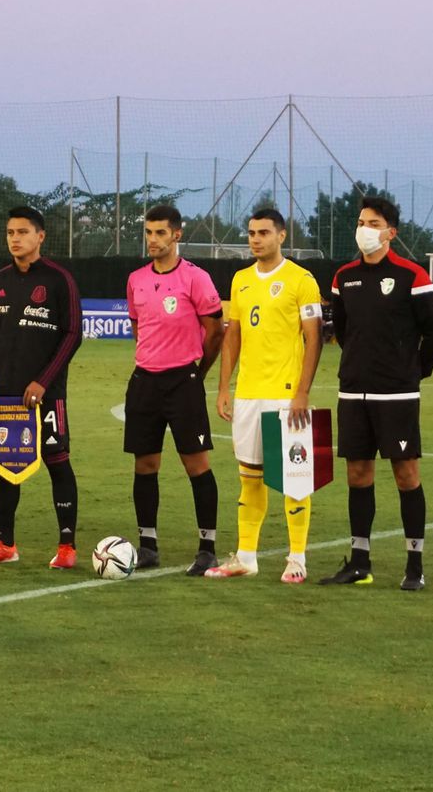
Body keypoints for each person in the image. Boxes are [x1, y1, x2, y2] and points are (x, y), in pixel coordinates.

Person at [320, 196, 433, 591]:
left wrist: (413, 372)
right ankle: (360, 562)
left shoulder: (413, 276)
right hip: (353, 392)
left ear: (391, 231)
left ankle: (415, 564)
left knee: (406, 475)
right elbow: (341, 330)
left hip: (397, 395)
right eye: (361, 221)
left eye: (373, 223)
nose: (365, 229)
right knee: (358, 475)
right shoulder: (344, 277)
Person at [209, 209, 323, 583]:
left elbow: (314, 338)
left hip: (286, 395)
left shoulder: (301, 280)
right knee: (249, 478)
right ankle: (246, 556)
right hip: (248, 395)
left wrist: (302, 393)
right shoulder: (240, 280)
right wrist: (225, 387)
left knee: (294, 478)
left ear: (282, 236)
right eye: (251, 233)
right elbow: (233, 336)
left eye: (263, 233)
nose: (255, 239)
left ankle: (297, 558)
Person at [0, 206, 83, 566]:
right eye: (10, 233)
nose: (15, 239)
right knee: (4, 463)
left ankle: (66, 547)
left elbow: (73, 334)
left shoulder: (58, 279)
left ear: (40, 236)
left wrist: (44, 382)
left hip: (45, 395)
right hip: (4, 394)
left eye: (22, 232)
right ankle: (5, 544)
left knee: (57, 461)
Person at [125, 204, 225, 575]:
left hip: (183, 381)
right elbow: (139, 327)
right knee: (145, 463)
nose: (153, 240)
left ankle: (207, 547)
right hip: (144, 382)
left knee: (196, 464)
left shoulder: (196, 278)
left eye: (160, 233)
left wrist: (198, 371)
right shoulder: (135, 279)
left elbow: (215, 332)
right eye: (149, 233)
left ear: (177, 235)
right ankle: (148, 545)